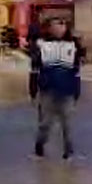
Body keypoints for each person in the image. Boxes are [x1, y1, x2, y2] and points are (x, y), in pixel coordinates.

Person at [28, 16, 84, 159]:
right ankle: (40, 145)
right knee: (45, 124)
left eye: (62, 24)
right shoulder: (41, 46)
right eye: (56, 25)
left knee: (68, 124)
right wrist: (33, 90)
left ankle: (68, 153)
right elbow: (34, 69)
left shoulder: (72, 46)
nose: (60, 28)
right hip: (48, 91)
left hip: (67, 91)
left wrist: (77, 89)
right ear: (49, 28)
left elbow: (76, 70)